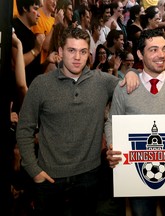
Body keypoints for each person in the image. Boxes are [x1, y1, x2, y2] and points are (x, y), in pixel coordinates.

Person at [16, 26, 139, 216]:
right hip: (49, 178)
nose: (77, 57)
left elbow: (140, 90)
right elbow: (24, 129)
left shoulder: (102, 82)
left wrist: (132, 74)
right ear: (60, 52)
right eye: (71, 50)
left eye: (83, 51)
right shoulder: (41, 84)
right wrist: (33, 170)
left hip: (89, 178)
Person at [105, 29, 165, 216]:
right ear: (140, 54)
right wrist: (112, 146)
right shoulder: (125, 87)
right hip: (137, 174)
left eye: (164, 49)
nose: (162, 55)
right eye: (153, 50)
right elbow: (111, 122)